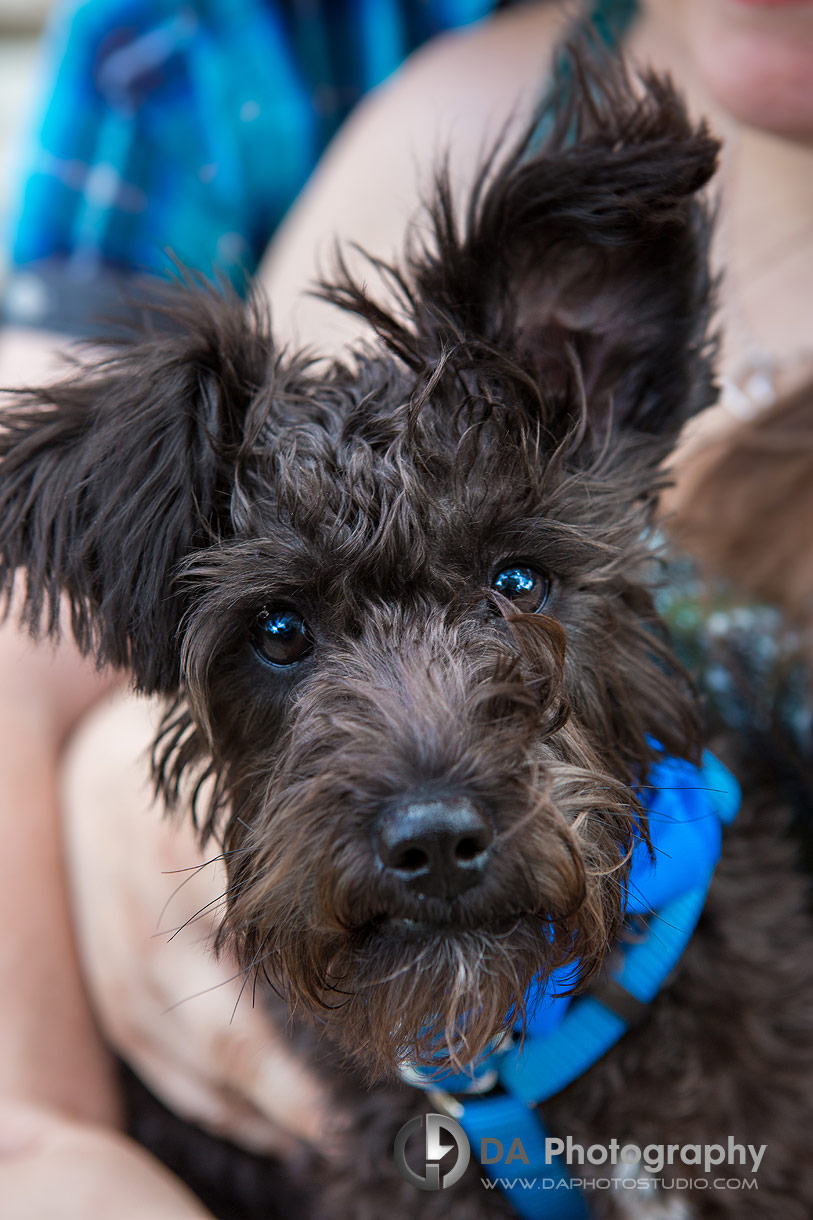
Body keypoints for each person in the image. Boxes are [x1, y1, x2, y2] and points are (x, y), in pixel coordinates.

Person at [1, 0, 811, 1215]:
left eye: (517, 586)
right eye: (281, 635)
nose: (431, 809)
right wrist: (39, 1138)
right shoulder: (267, 65)